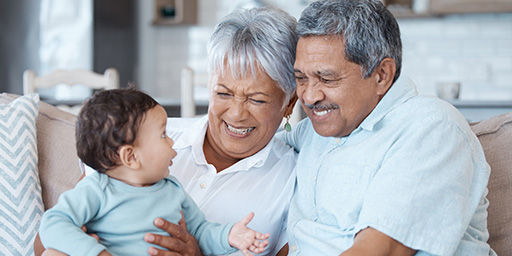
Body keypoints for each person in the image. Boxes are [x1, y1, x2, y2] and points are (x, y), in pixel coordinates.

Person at [34, 6, 299, 256]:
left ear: (289, 103)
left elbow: (206, 231)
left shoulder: (294, 177)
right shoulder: (140, 137)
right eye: (223, 93)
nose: (236, 113)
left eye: (257, 99)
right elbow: (46, 239)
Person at [279, 0, 496, 255]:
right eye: (301, 79)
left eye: (327, 79)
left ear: (382, 75)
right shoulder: (314, 133)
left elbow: (381, 250)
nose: (309, 96)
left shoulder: (430, 126)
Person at [38, 89, 270, 256]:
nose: (171, 142)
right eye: (163, 135)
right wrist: (95, 253)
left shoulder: (172, 189)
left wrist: (230, 236)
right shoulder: (98, 188)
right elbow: (54, 223)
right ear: (131, 157)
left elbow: (200, 231)